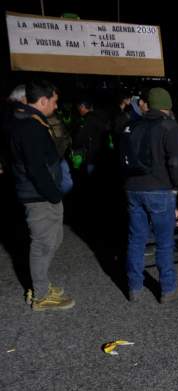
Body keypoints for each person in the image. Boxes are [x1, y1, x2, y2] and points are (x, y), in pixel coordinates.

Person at [9, 80, 75, 311]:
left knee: (52, 240)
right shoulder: (29, 126)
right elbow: (36, 167)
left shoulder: (28, 120)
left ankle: (41, 284)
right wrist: (53, 195)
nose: (56, 106)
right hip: (39, 196)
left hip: (40, 193)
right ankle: (41, 295)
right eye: (55, 102)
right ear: (43, 101)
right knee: (43, 244)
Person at [123, 88, 178, 303]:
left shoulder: (131, 125)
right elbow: (176, 162)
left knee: (136, 240)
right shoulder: (169, 126)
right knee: (164, 242)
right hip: (159, 189)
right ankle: (167, 289)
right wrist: (176, 186)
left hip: (132, 188)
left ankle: (134, 288)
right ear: (167, 105)